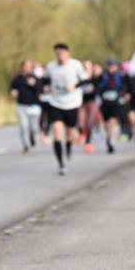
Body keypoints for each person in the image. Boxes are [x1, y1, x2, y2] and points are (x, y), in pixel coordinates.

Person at [43, 43, 87, 175]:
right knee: (57, 131)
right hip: (55, 103)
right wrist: (46, 87)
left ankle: (68, 145)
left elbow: (85, 81)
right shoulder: (50, 66)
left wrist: (74, 85)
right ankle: (61, 164)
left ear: (67, 53)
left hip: (72, 103)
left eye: (62, 54)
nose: (60, 56)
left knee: (70, 133)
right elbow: (44, 80)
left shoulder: (76, 65)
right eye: (57, 54)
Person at [10, 59, 42, 153]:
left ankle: (33, 138)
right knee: (23, 126)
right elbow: (12, 88)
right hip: (21, 105)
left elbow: (40, 90)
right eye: (25, 66)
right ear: (22, 67)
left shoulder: (35, 77)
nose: (27, 68)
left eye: (29, 66)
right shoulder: (17, 78)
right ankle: (26, 145)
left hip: (34, 106)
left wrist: (34, 84)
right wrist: (13, 92)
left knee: (34, 127)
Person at [97, 58, 128, 154]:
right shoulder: (102, 76)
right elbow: (97, 87)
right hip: (105, 102)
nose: (111, 68)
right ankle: (109, 137)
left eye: (113, 66)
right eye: (110, 66)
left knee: (113, 120)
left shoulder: (120, 76)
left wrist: (122, 95)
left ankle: (112, 141)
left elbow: (124, 87)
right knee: (106, 123)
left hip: (115, 101)